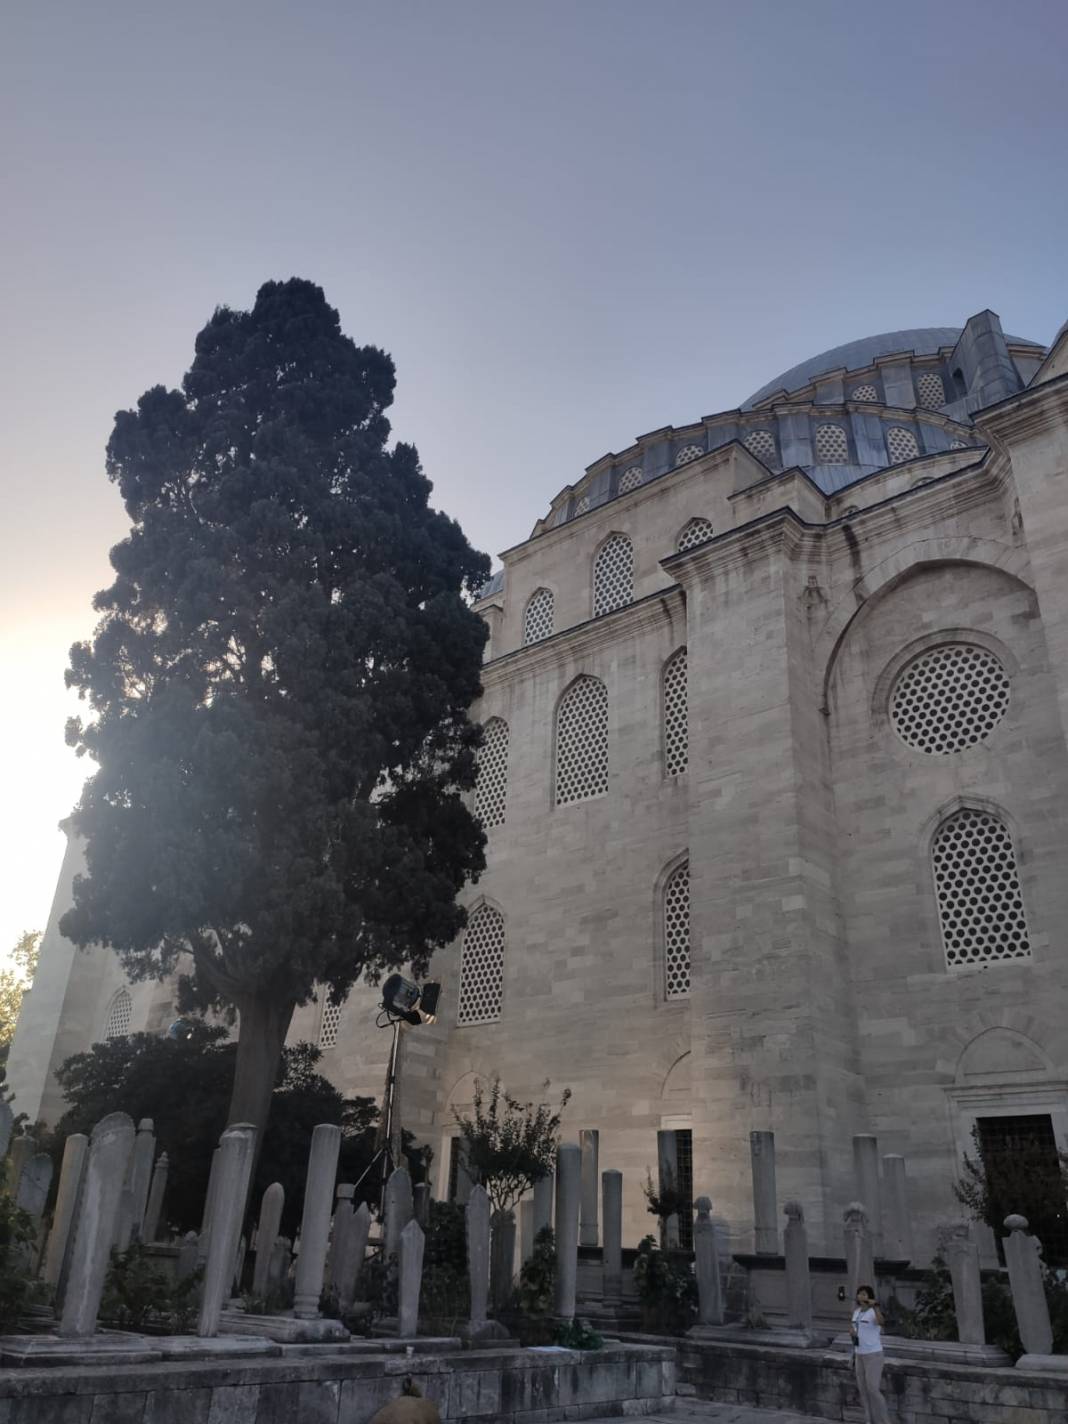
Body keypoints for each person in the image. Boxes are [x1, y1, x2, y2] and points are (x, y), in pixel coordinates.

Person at [850, 1284, 891, 1424]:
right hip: (859, 1354)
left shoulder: (873, 1312)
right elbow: (855, 1337)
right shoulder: (856, 1312)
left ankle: (885, 1421)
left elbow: (882, 1322)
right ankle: (869, 1420)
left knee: (873, 1389)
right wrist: (852, 1355)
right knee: (863, 1390)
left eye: (864, 1294)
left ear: (869, 1297)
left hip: (873, 1354)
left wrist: (876, 1307)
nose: (861, 1296)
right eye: (859, 1294)